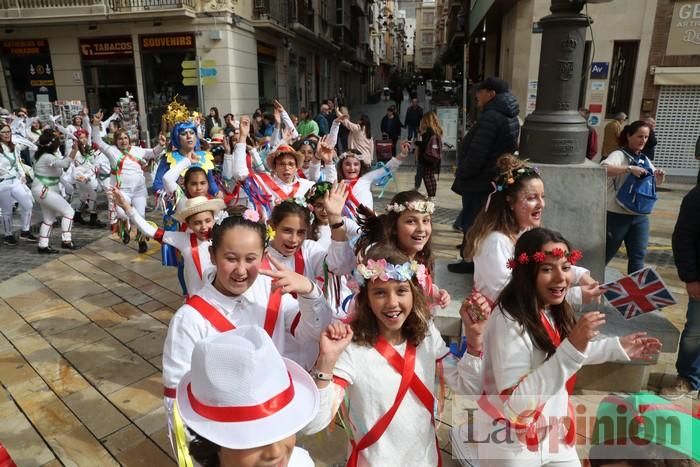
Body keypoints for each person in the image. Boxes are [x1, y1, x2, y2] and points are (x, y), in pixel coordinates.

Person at [475, 227, 662, 466]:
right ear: (526, 272)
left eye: (565, 267)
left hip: (555, 433)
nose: (561, 277)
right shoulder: (508, 320)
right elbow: (517, 402)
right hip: (510, 440)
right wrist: (573, 347)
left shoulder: (551, 309)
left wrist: (619, 347)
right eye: (546, 269)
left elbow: (559, 357)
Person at [302, 243, 488, 466]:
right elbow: (314, 423)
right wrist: (326, 362)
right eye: (379, 293)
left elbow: (468, 387)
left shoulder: (426, 335)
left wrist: (475, 342)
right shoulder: (351, 348)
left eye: (401, 291)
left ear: (414, 293)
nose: (392, 303)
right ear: (366, 298)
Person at [162, 211, 333, 424]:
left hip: (276, 417)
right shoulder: (189, 319)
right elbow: (176, 397)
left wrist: (309, 291)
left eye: (251, 259)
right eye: (231, 258)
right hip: (224, 432)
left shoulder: (272, 293)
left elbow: (315, 332)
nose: (241, 270)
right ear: (213, 255)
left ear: (263, 257)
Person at [175, 326, 319, 467]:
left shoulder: (301, 462)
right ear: (212, 444)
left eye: (284, 427)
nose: (275, 451)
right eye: (255, 440)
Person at [449, 77, 520, 274]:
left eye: (480, 92)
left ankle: (469, 261)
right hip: (491, 179)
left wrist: (462, 173)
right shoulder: (509, 115)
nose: (476, 96)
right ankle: (473, 256)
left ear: (491, 94)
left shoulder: (491, 116)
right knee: (482, 221)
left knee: (473, 221)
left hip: (478, 181)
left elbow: (477, 154)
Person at [113, 191, 225, 296]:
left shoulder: (223, 238)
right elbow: (151, 231)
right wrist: (127, 208)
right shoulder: (183, 240)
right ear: (189, 225)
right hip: (197, 303)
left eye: (207, 221)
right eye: (197, 223)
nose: (204, 227)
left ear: (214, 219)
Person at [91, 111, 164, 253]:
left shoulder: (137, 150)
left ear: (129, 139)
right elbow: (98, 141)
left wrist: (160, 145)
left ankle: (142, 242)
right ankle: (124, 228)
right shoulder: (111, 151)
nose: (123, 141)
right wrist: (94, 125)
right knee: (123, 214)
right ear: (115, 140)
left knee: (141, 217)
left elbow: (153, 153)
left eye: (125, 138)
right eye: (120, 138)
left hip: (139, 191)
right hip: (121, 191)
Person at [602, 120, 666, 274]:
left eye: (646, 137)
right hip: (616, 214)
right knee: (604, 257)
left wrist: (659, 177)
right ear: (629, 136)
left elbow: (653, 183)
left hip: (640, 216)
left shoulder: (644, 158)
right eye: (639, 136)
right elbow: (603, 169)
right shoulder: (618, 154)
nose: (643, 140)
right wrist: (629, 169)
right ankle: (589, 291)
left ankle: (635, 294)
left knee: (638, 257)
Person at [664, 183, 700, 399]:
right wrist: (691, 278)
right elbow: (682, 239)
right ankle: (687, 379)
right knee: (695, 333)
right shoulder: (696, 197)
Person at [32, 130, 78, 253]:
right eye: (57, 140)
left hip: (43, 190)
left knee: (48, 219)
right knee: (69, 211)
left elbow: (59, 168)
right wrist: (74, 150)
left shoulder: (43, 156)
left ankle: (43, 245)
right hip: (44, 190)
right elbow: (64, 164)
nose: (59, 141)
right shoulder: (47, 157)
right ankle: (66, 241)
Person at [0, 122, 35, 245]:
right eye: (3, 132)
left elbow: (18, 162)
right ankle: (8, 235)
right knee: (7, 211)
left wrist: (23, 174)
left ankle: (25, 231)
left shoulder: (13, 146)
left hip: (15, 181)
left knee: (28, 204)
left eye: (8, 131)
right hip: (2, 183)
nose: (7, 134)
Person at [416, 111, 443, 198]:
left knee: (426, 176)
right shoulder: (436, 130)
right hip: (434, 157)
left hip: (427, 157)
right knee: (431, 175)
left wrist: (417, 143)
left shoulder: (428, 131)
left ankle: (430, 196)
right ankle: (432, 194)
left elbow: (424, 145)